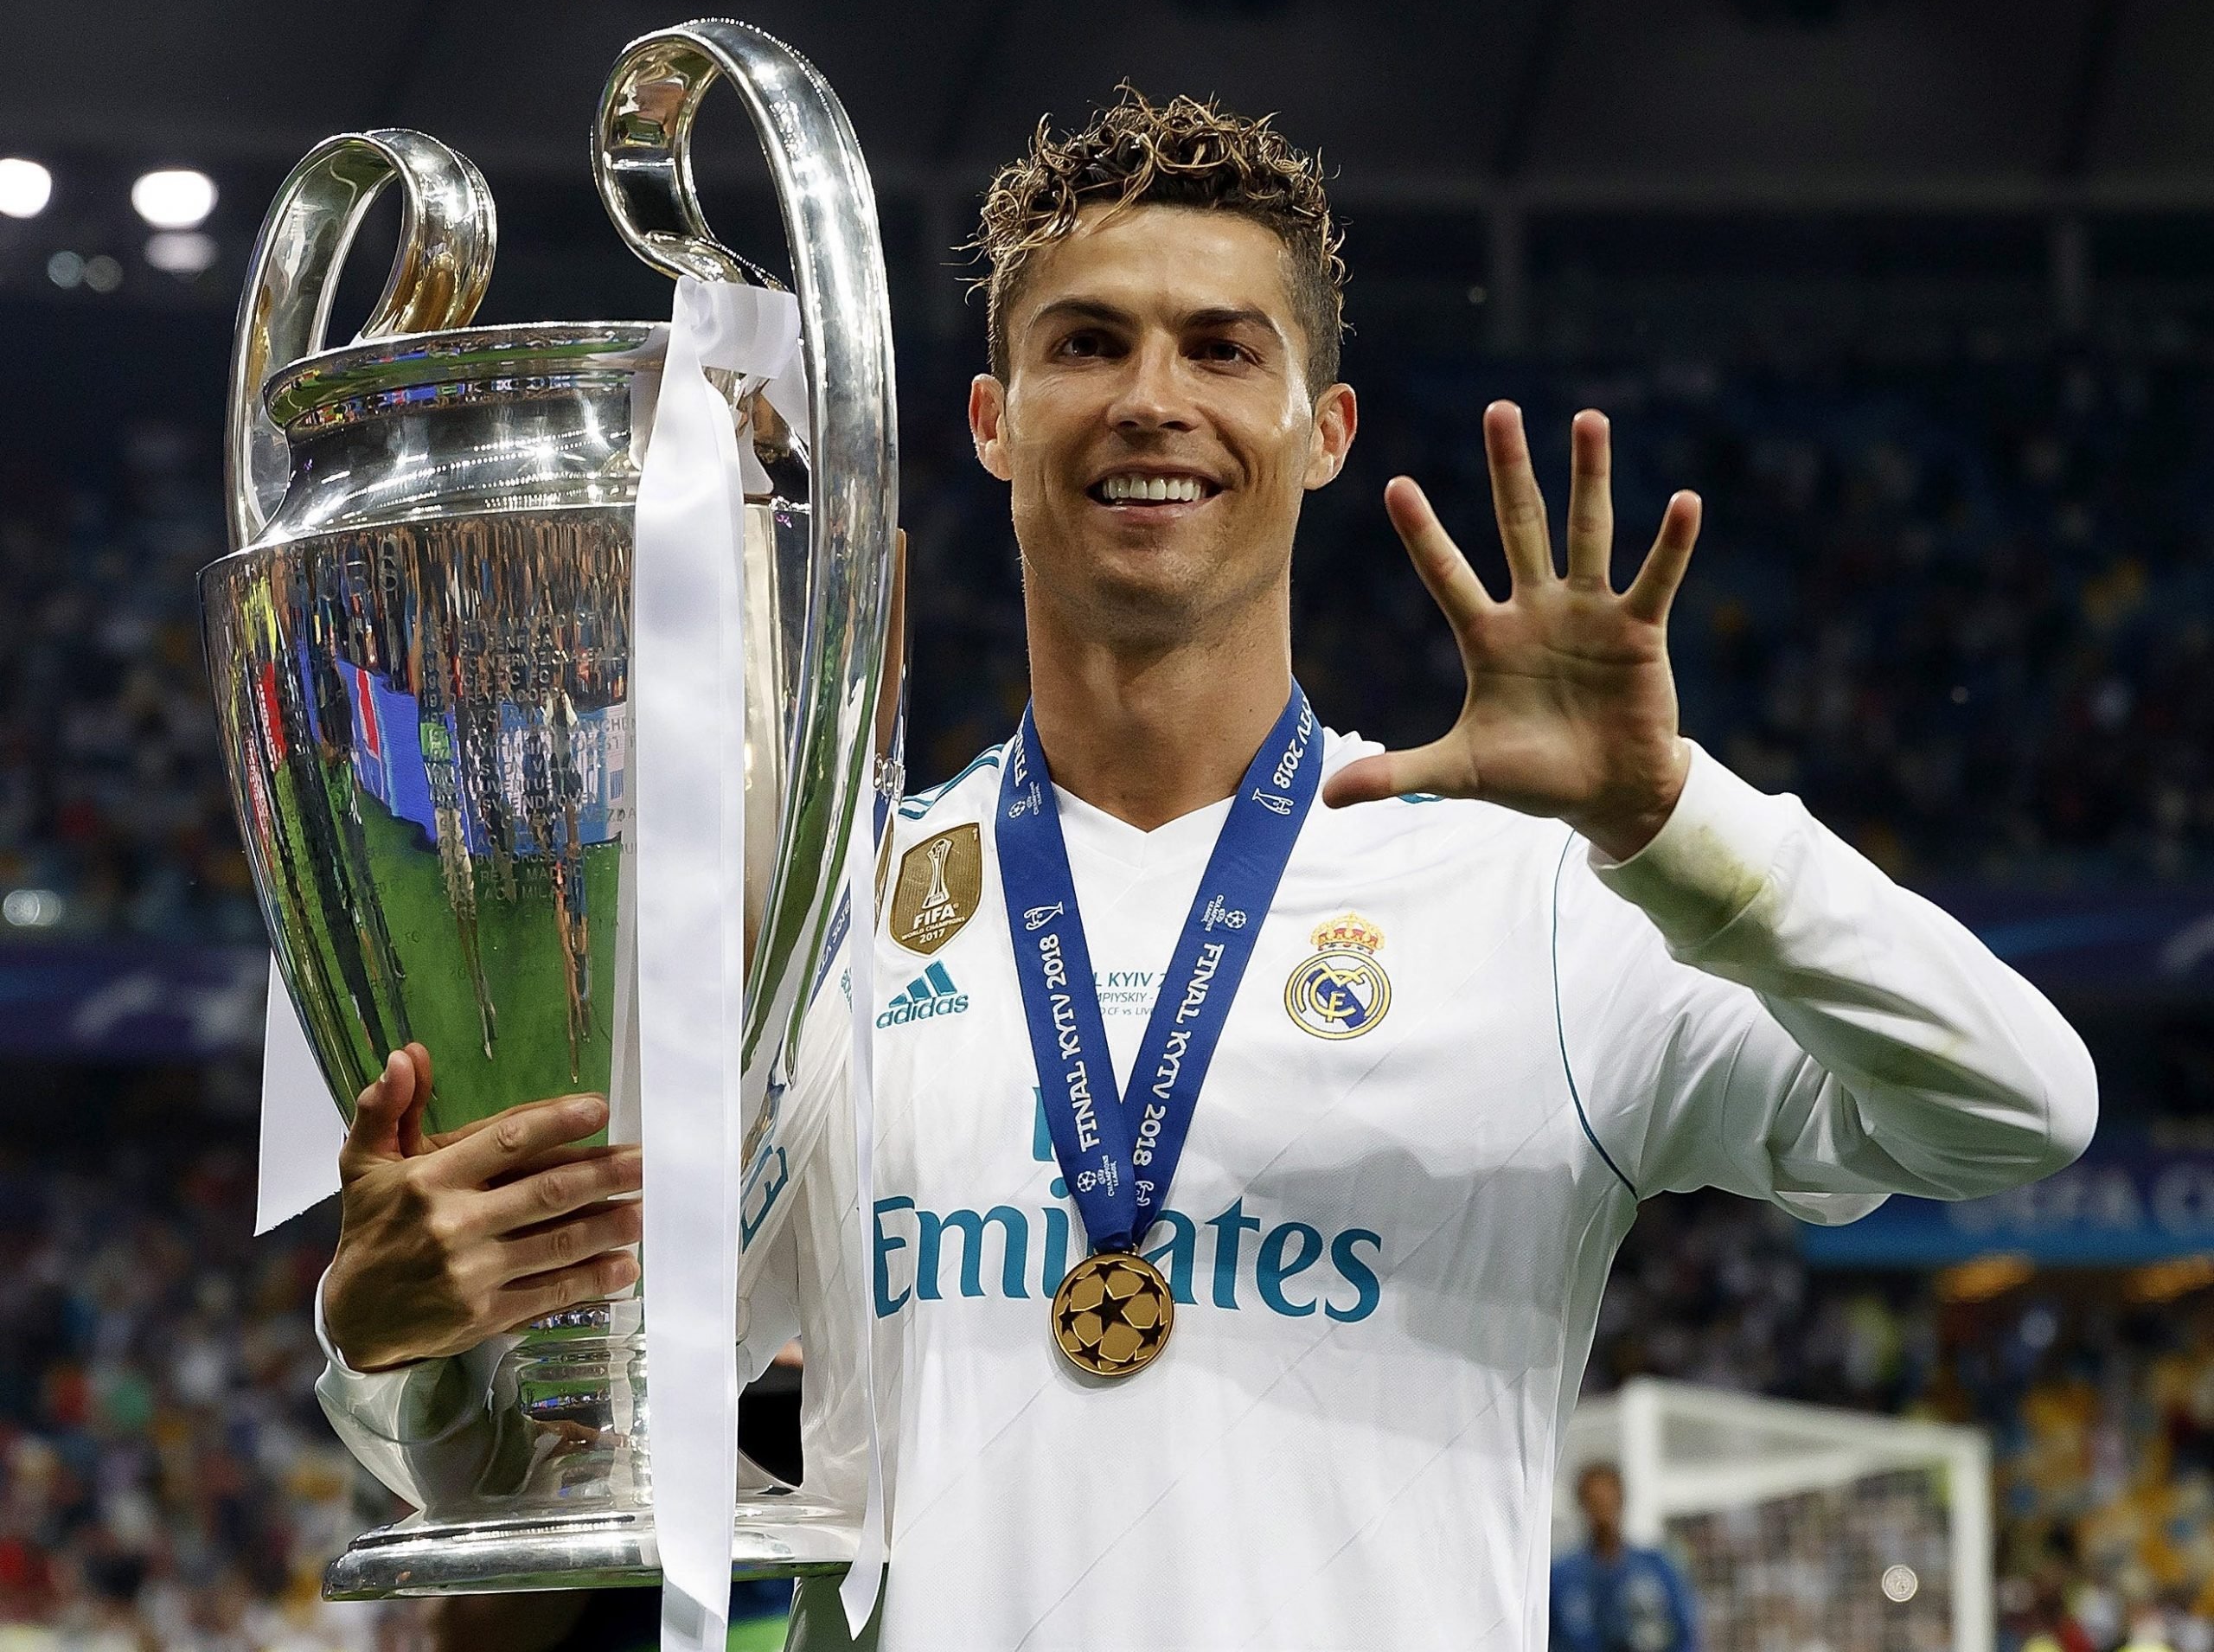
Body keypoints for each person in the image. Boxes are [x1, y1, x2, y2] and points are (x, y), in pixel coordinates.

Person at [312, 88, 2098, 1651]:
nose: (1149, 400)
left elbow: (2016, 1109)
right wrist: (388, 1353)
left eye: (1221, 348)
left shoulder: (1534, 903)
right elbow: (562, 1472)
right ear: (994, 423)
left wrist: (1671, 820)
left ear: (1320, 433)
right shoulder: (822, 927)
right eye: (1085, 344)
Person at [1549, 1463, 1697, 1652]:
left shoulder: (1656, 1567)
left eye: (1608, 1501)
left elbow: (1685, 1632)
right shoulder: (1562, 1577)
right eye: (1594, 1502)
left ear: (1621, 1500)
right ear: (1582, 1505)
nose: (1602, 1511)